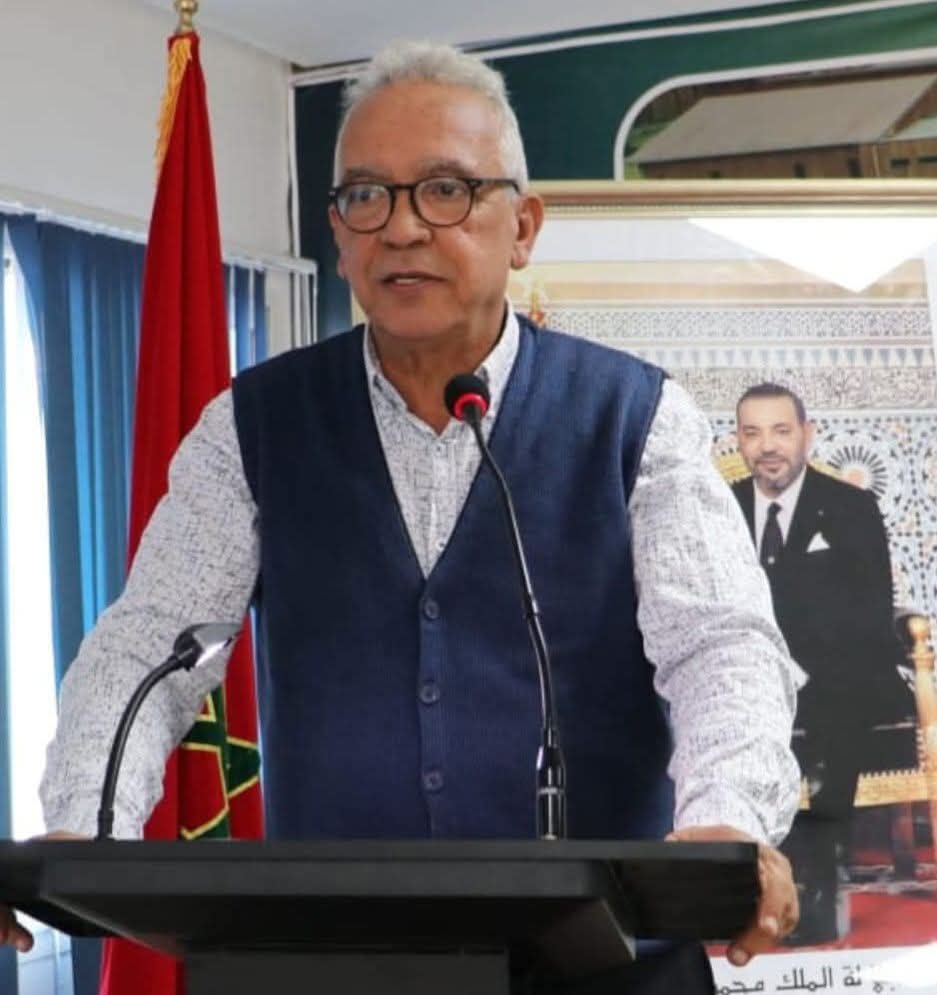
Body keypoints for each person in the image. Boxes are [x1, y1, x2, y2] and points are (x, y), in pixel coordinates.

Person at [3, 42, 800, 991]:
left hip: (607, 966)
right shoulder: (251, 426)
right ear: (338, 235)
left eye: (446, 190)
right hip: (334, 965)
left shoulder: (634, 417)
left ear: (523, 226)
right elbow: (149, 645)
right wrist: (81, 829)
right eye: (366, 197)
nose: (403, 227)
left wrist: (723, 821)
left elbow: (718, 645)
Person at [732, 382, 913, 942]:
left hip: (838, 670)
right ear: (738, 440)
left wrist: (801, 670)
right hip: (750, 674)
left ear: (806, 435)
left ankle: (821, 864)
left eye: (781, 431)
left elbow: (870, 613)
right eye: (753, 432)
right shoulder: (720, 507)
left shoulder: (852, 507)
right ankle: (739, 869)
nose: (768, 446)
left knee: (845, 693)